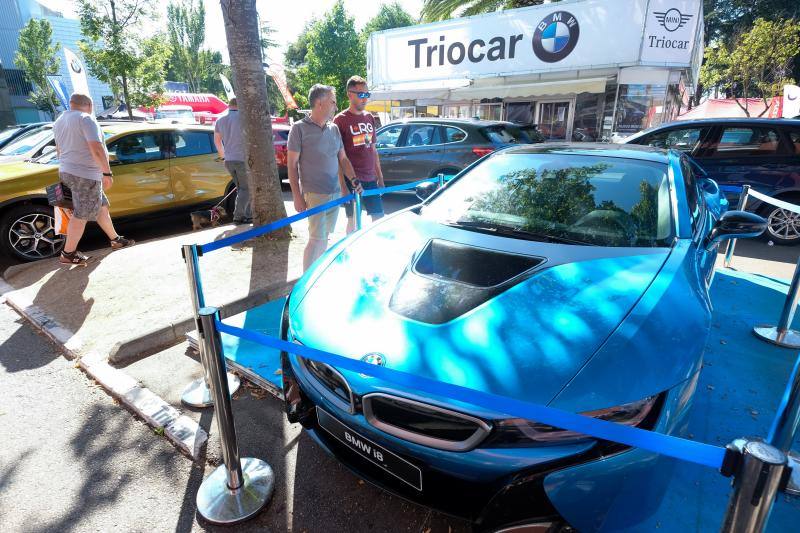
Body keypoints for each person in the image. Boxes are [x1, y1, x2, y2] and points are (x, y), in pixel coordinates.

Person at [287, 84, 361, 271]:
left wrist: (354, 180)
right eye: (333, 102)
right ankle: (306, 282)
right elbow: (292, 165)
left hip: (334, 193)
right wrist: (297, 195)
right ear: (319, 103)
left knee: (325, 237)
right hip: (315, 194)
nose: (336, 106)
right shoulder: (299, 129)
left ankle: (316, 275)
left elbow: (342, 159)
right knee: (316, 239)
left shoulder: (334, 128)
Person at [54, 93, 133, 266]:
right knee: (82, 214)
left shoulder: (60, 120)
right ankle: (68, 254)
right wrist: (107, 173)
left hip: (68, 170)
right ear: (89, 105)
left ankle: (116, 239)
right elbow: (96, 148)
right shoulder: (86, 119)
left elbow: (59, 150)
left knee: (101, 206)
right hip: (85, 174)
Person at [333, 76, 385, 234]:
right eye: (361, 94)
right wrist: (343, 186)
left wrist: (380, 177)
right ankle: (348, 254)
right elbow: (338, 158)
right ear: (349, 94)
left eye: (367, 94)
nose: (365, 99)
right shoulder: (339, 121)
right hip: (352, 180)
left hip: (371, 179)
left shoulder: (369, 117)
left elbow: (372, 149)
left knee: (379, 219)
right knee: (353, 221)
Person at [213, 97, 251, 224]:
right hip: (241, 158)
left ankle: (247, 214)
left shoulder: (220, 120)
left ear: (229, 105)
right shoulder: (244, 118)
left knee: (241, 188)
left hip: (229, 160)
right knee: (246, 189)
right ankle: (239, 216)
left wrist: (224, 156)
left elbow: (217, 141)